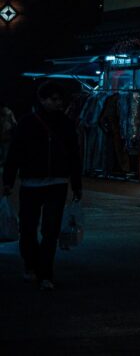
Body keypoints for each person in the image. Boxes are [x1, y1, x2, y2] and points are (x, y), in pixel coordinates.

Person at [2, 80, 83, 291]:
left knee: (50, 231)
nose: (58, 103)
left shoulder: (65, 124)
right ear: (42, 99)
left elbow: (74, 156)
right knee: (28, 229)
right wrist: (8, 181)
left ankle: (45, 273)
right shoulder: (28, 123)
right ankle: (32, 265)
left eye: (60, 100)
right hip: (31, 183)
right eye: (53, 99)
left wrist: (76, 184)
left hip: (56, 183)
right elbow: (15, 153)